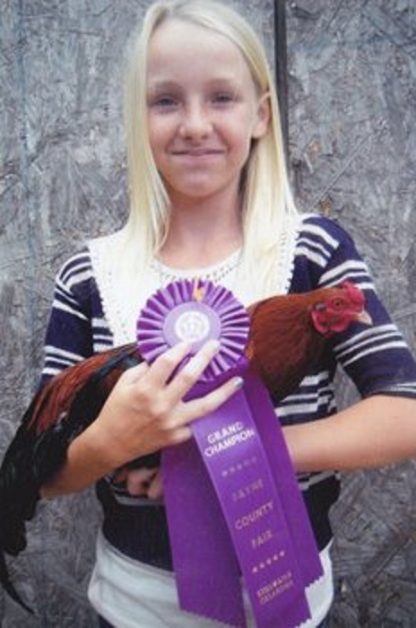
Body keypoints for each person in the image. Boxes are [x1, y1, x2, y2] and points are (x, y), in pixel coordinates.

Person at [36, 0, 416, 626]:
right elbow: (45, 475)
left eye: (221, 98)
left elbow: (403, 409)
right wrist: (113, 442)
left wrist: (247, 450)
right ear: (139, 117)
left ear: (261, 114)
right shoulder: (87, 275)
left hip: (293, 598)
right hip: (136, 608)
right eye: (165, 101)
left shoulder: (314, 253)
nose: (193, 124)